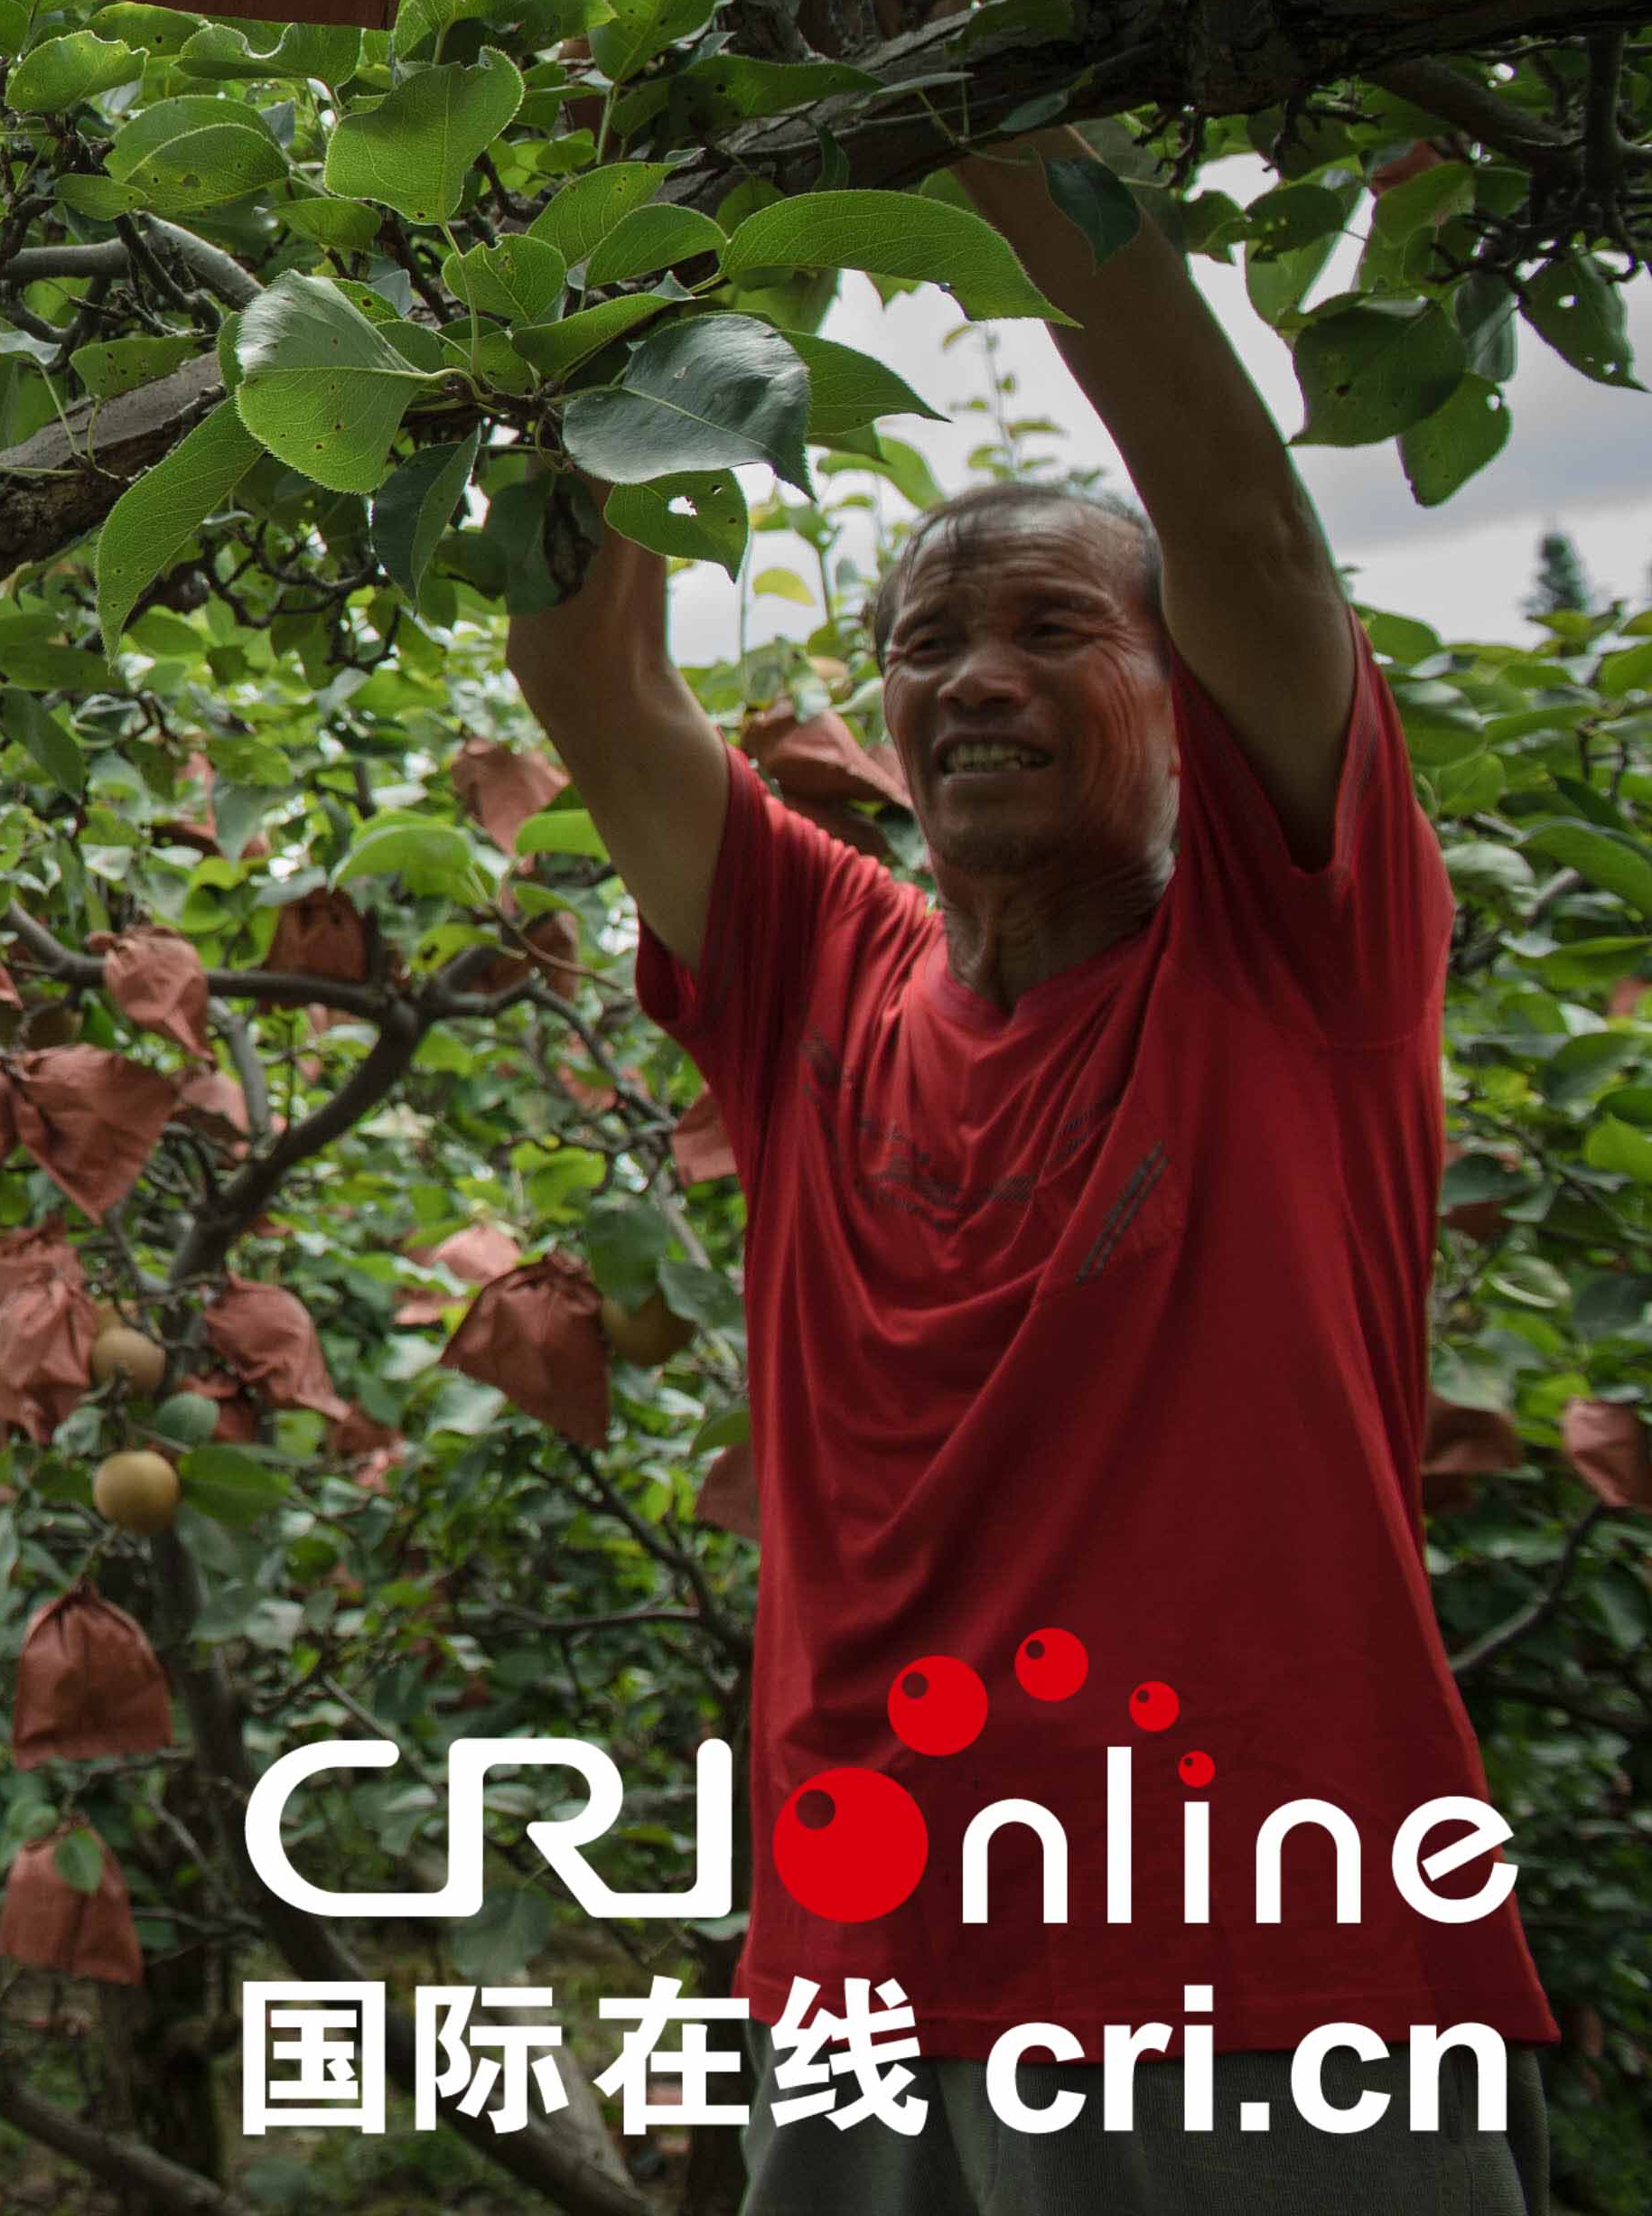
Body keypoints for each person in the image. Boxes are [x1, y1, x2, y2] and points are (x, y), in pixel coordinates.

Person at [505, 132, 1557, 2212]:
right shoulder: (823, 968)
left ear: (1183, 694)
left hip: (1272, 1979)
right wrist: (625, 227)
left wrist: (993, 120)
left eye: (1054, 625)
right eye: (924, 641)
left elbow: (1246, 528)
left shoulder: (1291, 961)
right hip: (865, 1989)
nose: (968, 670)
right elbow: (587, 679)